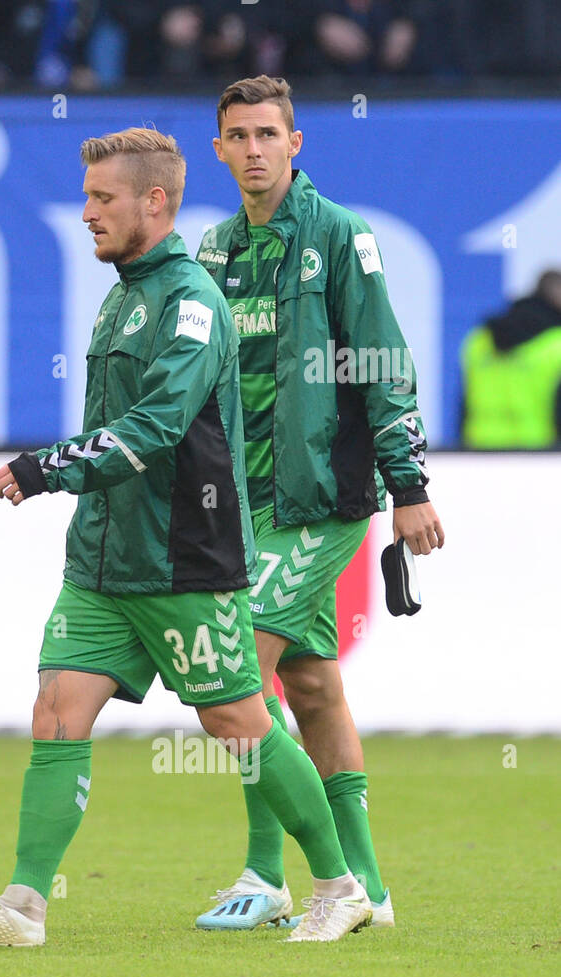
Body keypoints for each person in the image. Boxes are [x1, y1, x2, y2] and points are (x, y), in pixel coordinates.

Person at [0, 127, 372, 947]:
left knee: (238, 723)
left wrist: (46, 468)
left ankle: (339, 887)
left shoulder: (193, 300)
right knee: (57, 711)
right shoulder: (125, 291)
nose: (87, 212)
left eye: (103, 198)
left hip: (183, 556)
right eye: (87, 196)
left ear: (153, 202)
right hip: (103, 558)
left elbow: (158, 425)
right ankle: (23, 907)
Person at [194, 75, 444, 931]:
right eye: (239, 135)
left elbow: (382, 362)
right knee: (309, 683)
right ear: (219, 148)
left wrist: (407, 488)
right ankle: (370, 889)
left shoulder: (340, 236)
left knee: (233, 675)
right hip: (239, 506)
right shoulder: (215, 252)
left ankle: (271, 873)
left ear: (295, 144)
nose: (255, 148)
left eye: (270, 133)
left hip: (321, 501)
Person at [461, 269, 561, 449]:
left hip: (479, 450)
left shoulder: (480, 339)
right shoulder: (556, 343)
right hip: (538, 453)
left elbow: (464, 406)